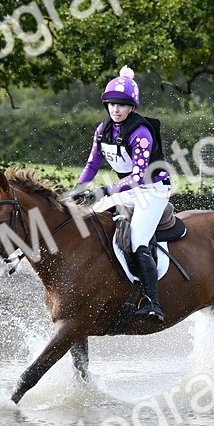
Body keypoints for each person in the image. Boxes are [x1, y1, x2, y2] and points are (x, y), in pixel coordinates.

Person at [67, 66, 171, 323]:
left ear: (132, 108)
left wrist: (102, 190)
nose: (116, 109)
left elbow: (138, 177)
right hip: (127, 189)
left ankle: (152, 304)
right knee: (89, 218)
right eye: (112, 104)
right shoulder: (102, 130)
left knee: (137, 241)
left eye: (122, 105)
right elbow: (92, 165)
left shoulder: (141, 132)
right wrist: (78, 190)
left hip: (153, 190)